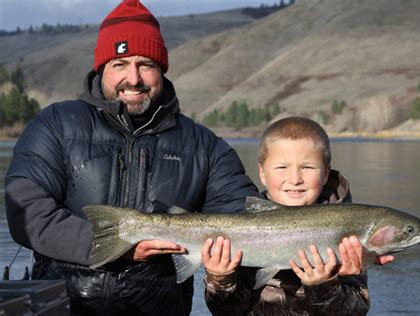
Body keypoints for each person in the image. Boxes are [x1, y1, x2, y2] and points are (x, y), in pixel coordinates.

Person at [4, 0, 258, 315]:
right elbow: (27, 214)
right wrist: (121, 246)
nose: (134, 79)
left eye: (146, 64)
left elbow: (247, 217)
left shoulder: (205, 146)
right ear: (102, 69)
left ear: (161, 70)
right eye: (120, 64)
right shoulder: (55, 124)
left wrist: (225, 271)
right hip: (63, 307)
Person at [202, 117, 394, 315]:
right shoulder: (242, 226)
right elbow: (226, 310)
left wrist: (323, 286)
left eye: (307, 167)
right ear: (262, 173)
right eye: (282, 168)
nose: (295, 179)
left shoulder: (347, 230)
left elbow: (355, 311)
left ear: (326, 173)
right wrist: (220, 279)